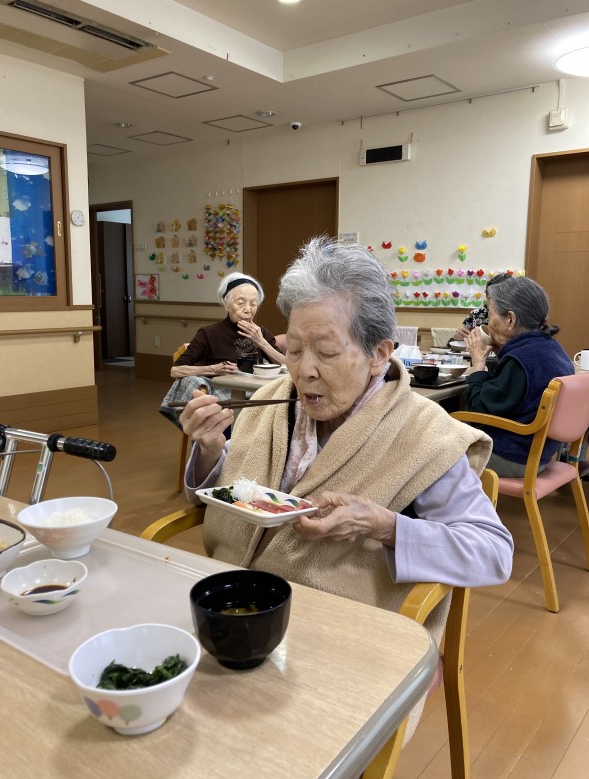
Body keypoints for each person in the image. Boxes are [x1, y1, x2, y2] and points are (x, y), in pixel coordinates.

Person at [179, 238, 513, 676]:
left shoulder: (424, 433)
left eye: (327, 352)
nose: (304, 371)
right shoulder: (268, 401)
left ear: (378, 354)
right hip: (230, 610)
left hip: (342, 635)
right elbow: (232, 488)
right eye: (294, 350)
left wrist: (383, 526)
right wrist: (209, 450)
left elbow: (492, 553)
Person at [465, 276, 574, 477]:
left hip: (512, 456)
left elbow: (478, 411)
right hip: (540, 453)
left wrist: (478, 363)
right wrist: (502, 351)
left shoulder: (521, 360)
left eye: (491, 314)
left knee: (436, 441)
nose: (488, 322)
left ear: (510, 319)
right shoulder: (550, 348)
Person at [159, 272, 284, 428]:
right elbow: (176, 370)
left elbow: (288, 365)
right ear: (226, 304)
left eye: (253, 304)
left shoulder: (260, 333)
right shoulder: (209, 333)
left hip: (256, 396)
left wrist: (261, 342)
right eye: (240, 303)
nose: (248, 309)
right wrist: (213, 369)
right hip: (223, 401)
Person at [449, 272, 513, 344]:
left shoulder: (516, 319)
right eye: (490, 297)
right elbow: (452, 346)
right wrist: (456, 339)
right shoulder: (477, 315)